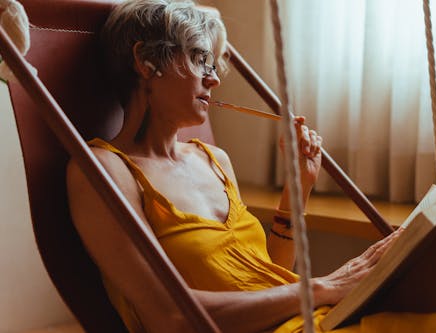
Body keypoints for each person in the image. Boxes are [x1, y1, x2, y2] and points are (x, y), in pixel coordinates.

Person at [65, 0, 404, 332]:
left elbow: (265, 274)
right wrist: (321, 288)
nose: (213, 80)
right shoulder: (104, 171)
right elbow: (171, 318)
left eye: (212, 65)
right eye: (200, 61)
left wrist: (296, 190)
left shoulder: (214, 159)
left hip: (307, 317)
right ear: (145, 61)